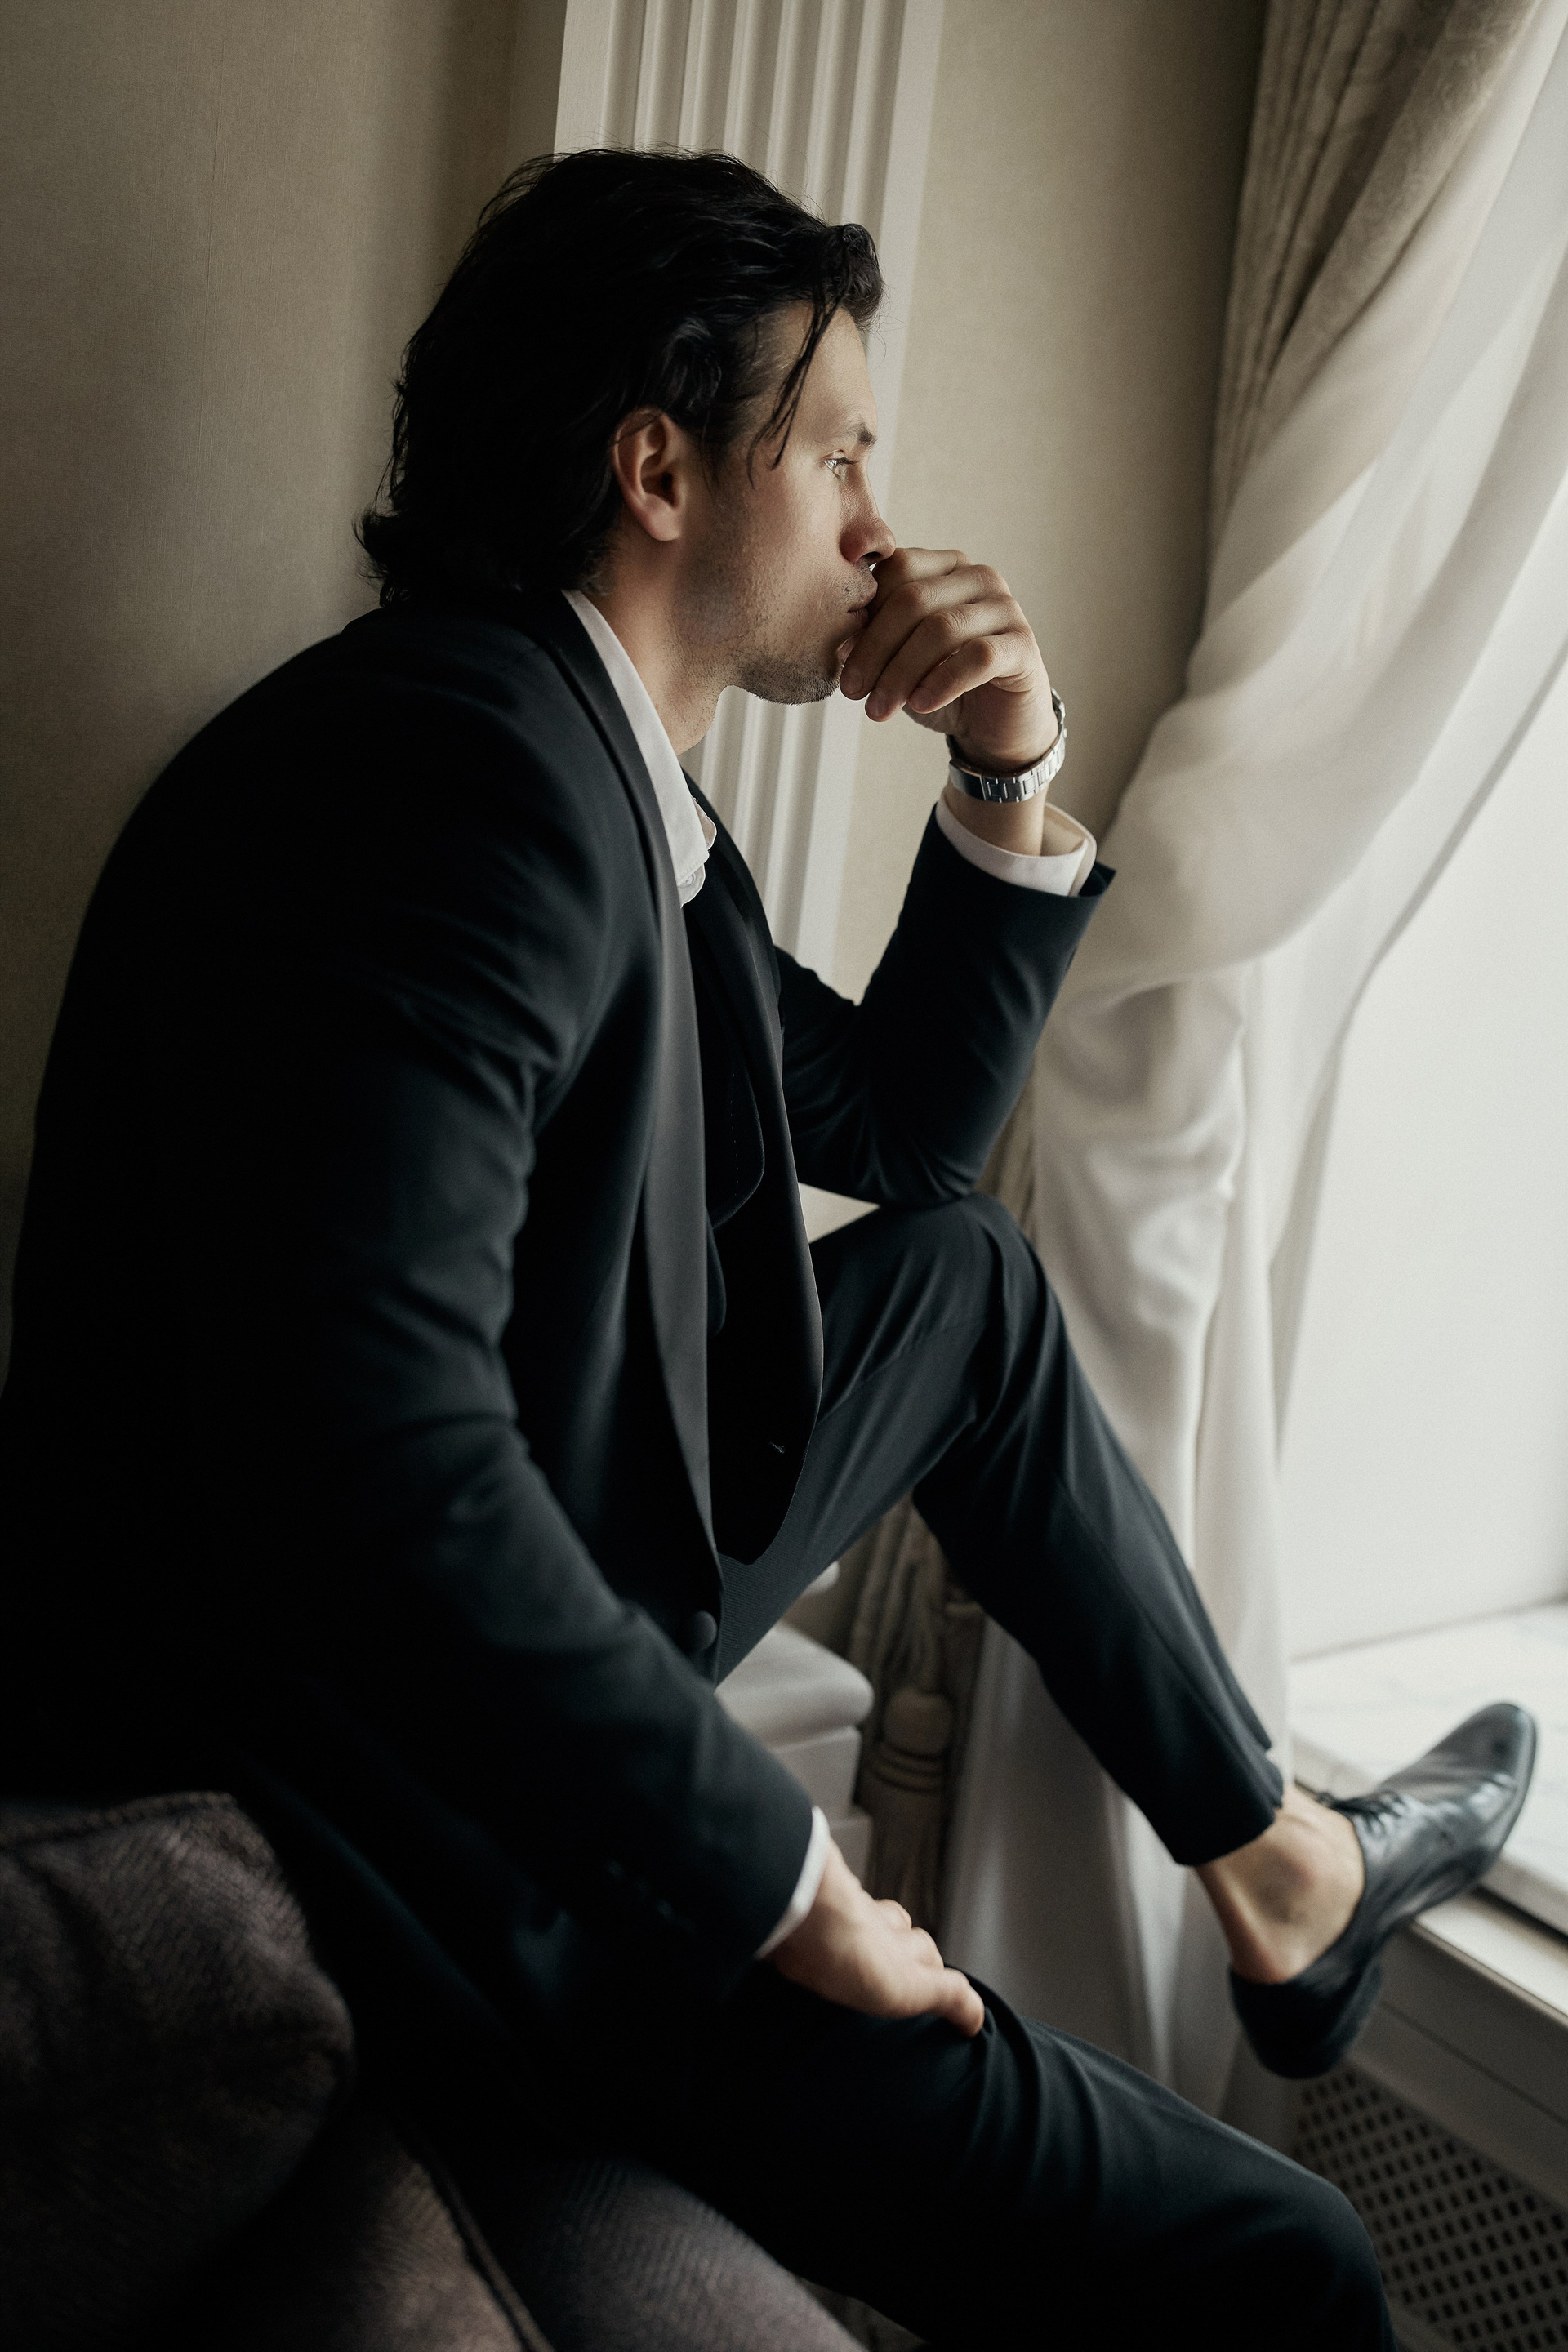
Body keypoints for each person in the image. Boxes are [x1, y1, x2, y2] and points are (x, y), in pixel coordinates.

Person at [0, 149, 1534, 2348]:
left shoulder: (582, 768)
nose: (883, 530)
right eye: (839, 456)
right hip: (419, 1820)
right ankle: (1258, 1900)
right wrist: (774, 1868)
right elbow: (376, 1460)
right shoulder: (454, 783)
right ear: (657, 471)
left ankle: (1280, 1870)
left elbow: (901, 1137)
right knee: (1289, 2256)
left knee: (965, 1287)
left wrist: (1008, 762)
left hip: (506, 1620)